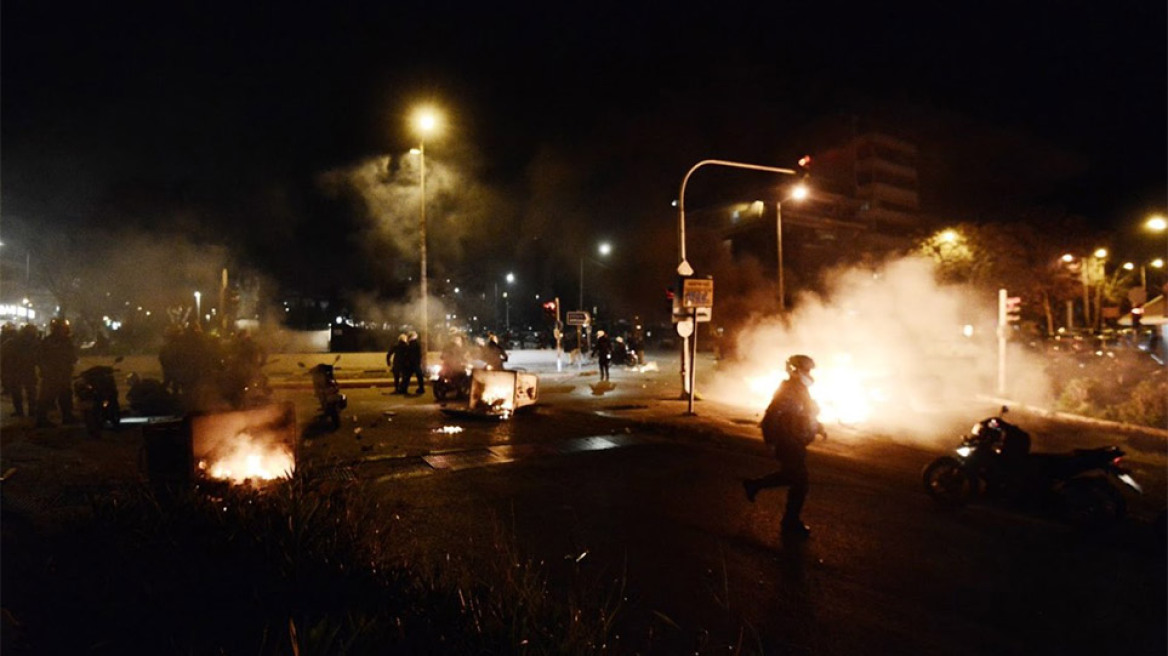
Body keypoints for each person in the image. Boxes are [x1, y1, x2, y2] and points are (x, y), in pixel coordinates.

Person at [743, 354, 826, 539]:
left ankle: (754, 485)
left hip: (795, 440)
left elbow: (805, 415)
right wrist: (771, 441)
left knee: (791, 477)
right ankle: (790, 522)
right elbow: (772, 417)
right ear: (795, 371)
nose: (809, 374)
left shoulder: (800, 389)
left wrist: (818, 427)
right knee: (800, 482)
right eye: (806, 370)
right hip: (787, 441)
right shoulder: (788, 390)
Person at [35, 318, 79, 427]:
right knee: (48, 397)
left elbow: (71, 356)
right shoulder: (56, 341)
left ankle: (67, 416)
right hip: (53, 374)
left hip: (61, 373)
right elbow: (41, 357)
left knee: (65, 395)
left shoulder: (56, 340)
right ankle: (42, 419)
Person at [2, 324, 39, 417]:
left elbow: (5, 354)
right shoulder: (34, 342)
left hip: (17, 369)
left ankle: (20, 411)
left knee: (17, 391)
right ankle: (31, 410)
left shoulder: (14, 341)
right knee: (30, 391)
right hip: (27, 369)